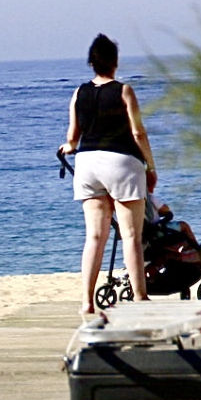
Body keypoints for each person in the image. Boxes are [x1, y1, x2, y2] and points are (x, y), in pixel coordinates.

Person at [59, 33, 157, 321]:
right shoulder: (124, 90)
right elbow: (138, 133)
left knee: (95, 236)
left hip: (88, 163)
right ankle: (139, 296)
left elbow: (72, 138)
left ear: (91, 62)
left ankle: (87, 302)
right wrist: (150, 167)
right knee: (130, 236)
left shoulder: (79, 93)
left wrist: (68, 147)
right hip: (121, 162)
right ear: (115, 62)